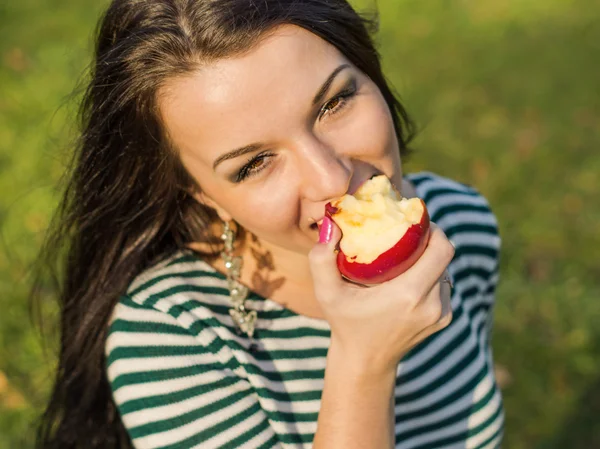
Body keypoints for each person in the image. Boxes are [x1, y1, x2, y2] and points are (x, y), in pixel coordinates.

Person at [34, 0, 504, 448]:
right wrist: (363, 365)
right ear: (202, 194)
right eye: (255, 163)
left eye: (334, 102)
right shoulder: (170, 338)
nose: (331, 178)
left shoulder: (460, 224)